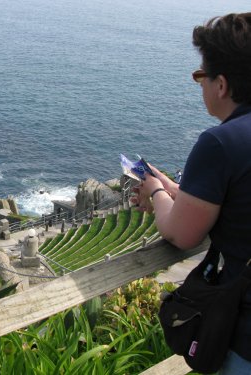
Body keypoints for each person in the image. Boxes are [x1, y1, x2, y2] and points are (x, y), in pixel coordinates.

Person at [131, 13, 251, 374]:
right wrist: (177, 190)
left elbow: (181, 233)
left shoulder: (219, 142)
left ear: (221, 85)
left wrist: (154, 192)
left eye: (201, 76)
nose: (199, 85)